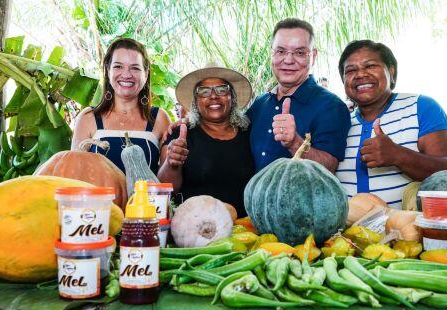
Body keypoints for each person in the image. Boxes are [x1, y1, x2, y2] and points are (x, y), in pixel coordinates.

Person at [336, 40, 447, 208]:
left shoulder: (421, 106)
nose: (360, 74)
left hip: (408, 232)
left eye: (370, 66)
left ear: (391, 72)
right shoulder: (341, 123)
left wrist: (398, 155)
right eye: (350, 70)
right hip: (346, 233)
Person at [247, 18, 351, 173]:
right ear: (272, 55)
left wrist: (295, 142)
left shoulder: (332, 107)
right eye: (281, 51)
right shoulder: (259, 104)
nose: (288, 60)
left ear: (313, 56)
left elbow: (329, 168)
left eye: (300, 53)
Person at [157, 64, 255, 217]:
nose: (214, 96)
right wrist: (171, 162)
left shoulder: (250, 133)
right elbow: (165, 189)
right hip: (193, 229)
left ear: (232, 97)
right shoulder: (180, 134)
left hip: (245, 230)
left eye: (222, 89)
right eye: (204, 91)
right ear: (196, 101)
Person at [71, 38, 170, 174]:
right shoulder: (88, 118)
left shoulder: (159, 118)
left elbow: (169, 182)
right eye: (118, 66)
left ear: (146, 74)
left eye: (135, 68)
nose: (126, 74)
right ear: (108, 70)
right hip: (100, 196)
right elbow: (74, 174)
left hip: (144, 196)